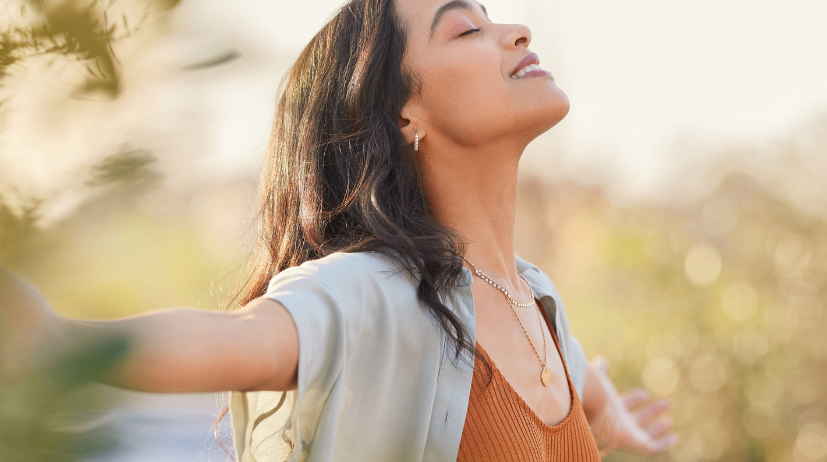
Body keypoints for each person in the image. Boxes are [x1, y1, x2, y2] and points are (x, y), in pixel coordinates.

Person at [0, 0, 679, 460]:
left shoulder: (537, 302)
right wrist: (59, 341)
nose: (516, 32)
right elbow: (244, 337)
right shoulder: (373, 293)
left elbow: (580, 386)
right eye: (466, 30)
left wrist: (609, 419)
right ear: (404, 113)